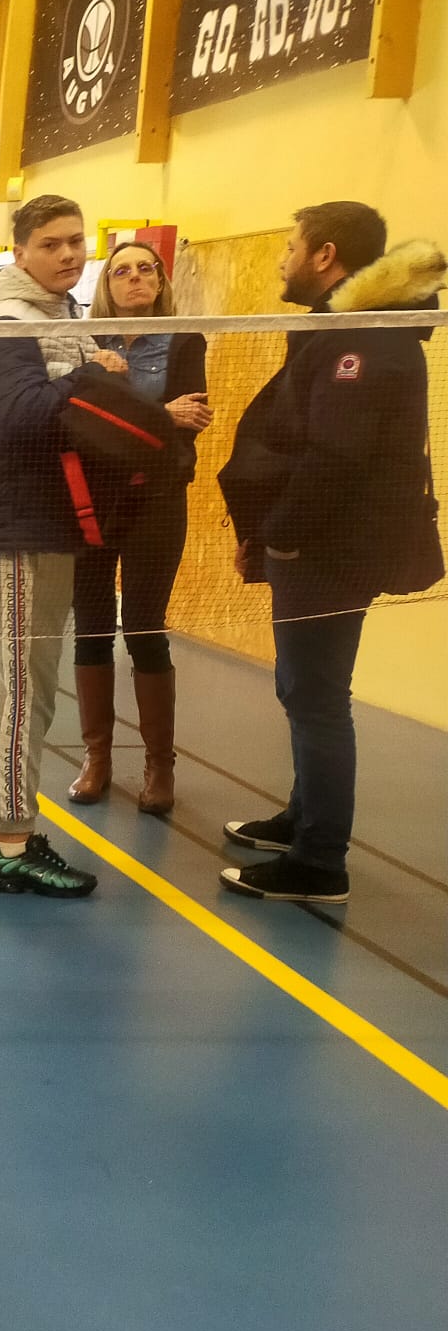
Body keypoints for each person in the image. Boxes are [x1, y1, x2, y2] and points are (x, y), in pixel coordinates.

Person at [218, 205, 444, 904]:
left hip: (333, 549)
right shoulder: (344, 327)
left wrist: (280, 534)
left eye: (291, 247)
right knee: (303, 689)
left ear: (325, 255)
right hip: (322, 543)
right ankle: (303, 817)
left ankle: (320, 863)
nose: (283, 259)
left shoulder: (364, 339)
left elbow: (336, 457)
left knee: (316, 697)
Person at [0, 195, 115, 898]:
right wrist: (94, 376)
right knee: (25, 687)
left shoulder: (55, 318)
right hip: (22, 527)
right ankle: (13, 842)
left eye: (76, 241)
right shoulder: (8, 324)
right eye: (50, 243)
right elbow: (19, 416)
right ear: (19, 253)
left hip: (39, 522)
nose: (68, 254)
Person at [68, 241, 211, 813]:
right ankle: (96, 758)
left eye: (144, 269)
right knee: (91, 628)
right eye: (121, 271)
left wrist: (127, 418)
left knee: (146, 628)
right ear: (107, 285)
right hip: (90, 501)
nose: (134, 278)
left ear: (159, 281)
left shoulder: (185, 340)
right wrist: (159, 414)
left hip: (157, 499)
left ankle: (159, 766)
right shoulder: (85, 342)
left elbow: (191, 420)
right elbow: (75, 419)